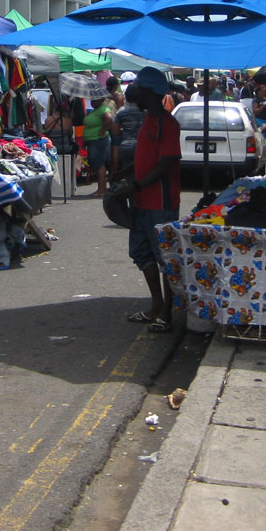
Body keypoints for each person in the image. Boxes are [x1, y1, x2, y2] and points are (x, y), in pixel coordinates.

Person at [113, 67, 181, 333]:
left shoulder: (168, 124)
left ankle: (167, 312)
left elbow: (166, 163)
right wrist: (125, 173)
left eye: (139, 89)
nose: (135, 93)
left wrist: (136, 185)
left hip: (160, 203)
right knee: (142, 253)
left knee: (165, 259)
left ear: (150, 92)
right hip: (141, 201)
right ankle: (156, 305)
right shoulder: (146, 120)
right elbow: (146, 159)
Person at [81, 95, 116, 196]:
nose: (92, 101)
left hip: (98, 140)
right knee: (97, 164)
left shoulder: (103, 109)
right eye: (92, 99)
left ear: (101, 100)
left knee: (99, 165)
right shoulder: (95, 110)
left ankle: (101, 190)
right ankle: (101, 189)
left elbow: (109, 119)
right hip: (93, 140)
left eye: (95, 99)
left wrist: (102, 131)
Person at [111, 84, 147, 173]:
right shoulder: (145, 112)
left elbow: (115, 132)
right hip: (142, 147)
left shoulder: (121, 112)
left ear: (126, 96)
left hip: (126, 147)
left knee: (128, 175)